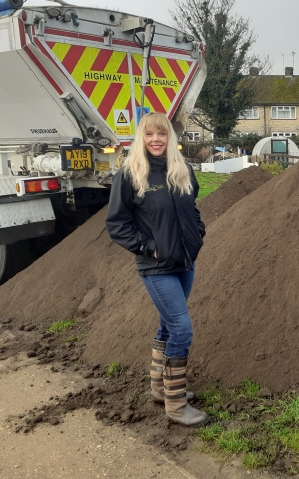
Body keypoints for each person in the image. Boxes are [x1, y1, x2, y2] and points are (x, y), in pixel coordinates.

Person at [106, 112, 209, 427]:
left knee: (167, 326)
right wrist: (147, 248)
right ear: (142, 138)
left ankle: (159, 389)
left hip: (184, 263)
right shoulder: (131, 174)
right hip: (156, 266)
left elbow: (191, 208)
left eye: (161, 134)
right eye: (150, 134)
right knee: (182, 329)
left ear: (170, 138)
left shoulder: (182, 170)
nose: (156, 140)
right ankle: (176, 405)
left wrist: (197, 233)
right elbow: (117, 223)